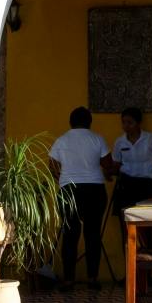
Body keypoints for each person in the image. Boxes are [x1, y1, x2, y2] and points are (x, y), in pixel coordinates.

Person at [48, 108, 109, 286]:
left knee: (70, 234)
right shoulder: (97, 138)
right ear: (90, 122)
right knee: (93, 234)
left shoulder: (62, 140)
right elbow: (107, 163)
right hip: (95, 190)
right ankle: (93, 278)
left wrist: (61, 178)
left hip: (69, 190)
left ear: (70, 122)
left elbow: (51, 164)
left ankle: (68, 279)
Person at [106, 106, 152, 220]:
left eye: (130, 122)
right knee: (125, 221)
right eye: (123, 122)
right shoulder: (120, 142)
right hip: (126, 184)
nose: (126, 126)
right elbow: (116, 164)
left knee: (146, 221)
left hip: (146, 184)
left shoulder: (151, 139)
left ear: (139, 123)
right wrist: (108, 171)